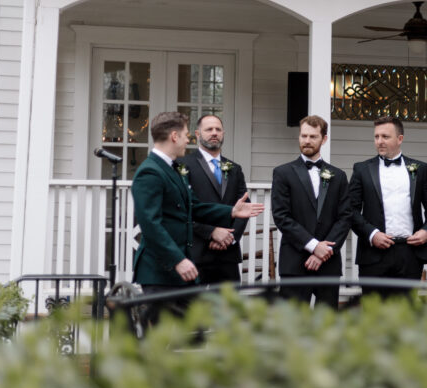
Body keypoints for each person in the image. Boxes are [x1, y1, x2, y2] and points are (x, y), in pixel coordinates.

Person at [131, 111, 264, 322]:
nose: (187, 140)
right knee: (158, 339)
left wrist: (231, 211)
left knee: (192, 331)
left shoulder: (171, 169)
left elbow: (193, 206)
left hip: (181, 268)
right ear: (174, 136)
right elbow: (151, 225)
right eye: (185, 134)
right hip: (160, 269)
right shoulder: (151, 172)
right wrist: (178, 260)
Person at [348, 116, 427, 297]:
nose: (379, 142)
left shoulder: (419, 168)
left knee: (406, 312)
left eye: (385, 136)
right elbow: (350, 209)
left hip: (410, 253)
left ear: (400, 139)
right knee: (372, 313)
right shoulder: (362, 169)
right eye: (376, 137)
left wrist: (426, 231)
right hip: (374, 253)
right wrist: (372, 234)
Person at [271, 115, 352, 307]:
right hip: (295, 261)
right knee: (293, 325)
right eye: (303, 136)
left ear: (324, 139)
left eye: (313, 136)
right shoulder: (283, 173)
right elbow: (282, 216)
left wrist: (325, 251)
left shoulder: (338, 176)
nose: (307, 141)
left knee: (327, 325)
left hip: (328, 262)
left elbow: (345, 217)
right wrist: (314, 246)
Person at [180, 114, 249, 285]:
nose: (214, 133)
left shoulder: (234, 169)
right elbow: (181, 207)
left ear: (223, 133)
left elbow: (243, 207)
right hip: (196, 251)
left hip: (227, 254)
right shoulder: (183, 165)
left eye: (218, 129)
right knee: (193, 309)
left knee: (229, 309)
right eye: (209, 129)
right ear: (197, 134)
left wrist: (230, 238)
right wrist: (211, 232)